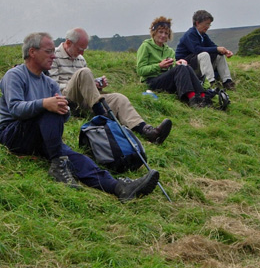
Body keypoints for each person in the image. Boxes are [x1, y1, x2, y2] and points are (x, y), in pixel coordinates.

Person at [0, 32, 159, 201]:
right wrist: (46, 104)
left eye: (53, 51)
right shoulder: (15, 75)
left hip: (40, 135)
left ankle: (119, 187)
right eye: (48, 51)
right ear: (32, 52)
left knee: (76, 157)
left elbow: (61, 119)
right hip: (13, 133)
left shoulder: (50, 83)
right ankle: (57, 162)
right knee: (50, 114)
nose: (53, 56)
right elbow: (15, 109)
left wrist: (64, 111)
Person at [49, 27, 172, 145]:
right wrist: (79, 82)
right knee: (84, 72)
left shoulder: (80, 59)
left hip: (85, 99)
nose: (82, 53)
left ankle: (147, 131)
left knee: (119, 98)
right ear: (69, 43)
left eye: (84, 49)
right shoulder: (53, 55)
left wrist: (96, 84)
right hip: (66, 98)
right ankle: (102, 116)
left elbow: (86, 83)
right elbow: (53, 86)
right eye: (80, 49)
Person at [137, 16, 212, 107]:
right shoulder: (146, 46)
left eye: (166, 33)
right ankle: (192, 99)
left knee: (185, 66)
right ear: (154, 32)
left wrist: (175, 64)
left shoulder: (170, 51)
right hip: (151, 81)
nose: (163, 35)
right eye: (160, 32)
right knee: (180, 68)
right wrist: (159, 66)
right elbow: (140, 70)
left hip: (166, 80)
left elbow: (172, 70)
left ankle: (202, 97)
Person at [175, 10, 235, 90]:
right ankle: (210, 83)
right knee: (204, 55)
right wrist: (217, 49)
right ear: (197, 23)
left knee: (219, 56)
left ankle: (227, 81)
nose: (208, 26)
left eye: (209, 24)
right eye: (206, 24)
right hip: (187, 66)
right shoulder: (190, 34)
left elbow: (213, 46)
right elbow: (196, 50)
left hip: (197, 64)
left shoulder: (203, 35)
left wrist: (224, 51)